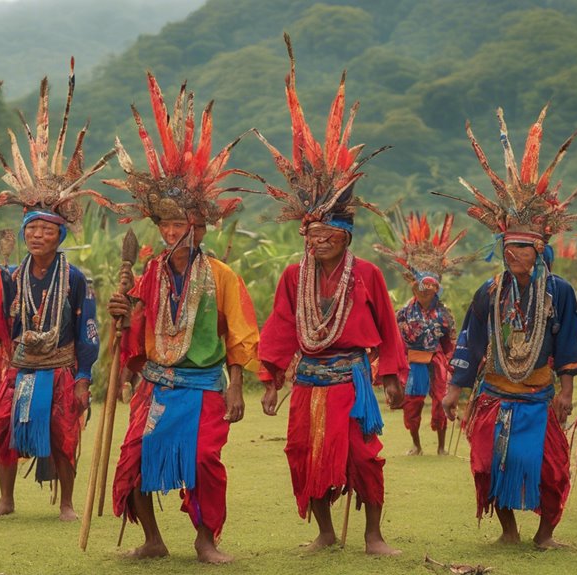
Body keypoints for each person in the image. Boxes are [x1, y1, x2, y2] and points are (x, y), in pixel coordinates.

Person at [254, 35, 407, 556]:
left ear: (345, 235)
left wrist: (392, 377)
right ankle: (323, 531)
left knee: (363, 457)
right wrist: (271, 379)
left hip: (352, 379)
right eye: (310, 234)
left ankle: (373, 533)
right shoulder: (293, 279)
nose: (316, 241)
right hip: (309, 380)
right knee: (304, 452)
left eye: (326, 234)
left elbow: (387, 327)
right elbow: (278, 329)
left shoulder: (366, 273)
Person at [100, 72, 259, 564]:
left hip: (204, 383)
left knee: (205, 461)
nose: (171, 232)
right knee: (133, 460)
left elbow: (240, 332)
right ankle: (151, 539)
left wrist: (235, 384)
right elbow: (135, 328)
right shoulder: (145, 275)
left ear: (198, 228)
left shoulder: (222, 275)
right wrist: (121, 314)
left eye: (180, 224)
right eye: (165, 224)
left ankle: (206, 540)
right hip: (155, 384)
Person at [442, 106, 577, 549]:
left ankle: (544, 535)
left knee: (548, 467)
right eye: (508, 247)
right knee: (489, 463)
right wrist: (455, 388)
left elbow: (567, 343)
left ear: (539, 249)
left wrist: (566, 391)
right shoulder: (490, 292)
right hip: (494, 393)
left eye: (522, 248)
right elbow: (471, 338)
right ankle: (507, 531)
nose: (513, 254)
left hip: (539, 394)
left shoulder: (557, 291)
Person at [0, 64, 108, 521]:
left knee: (64, 430)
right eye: (33, 230)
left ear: (59, 236)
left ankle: (67, 503)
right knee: (3, 429)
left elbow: (88, 332)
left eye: (47, 231)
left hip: (62, 365)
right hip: (18, 365)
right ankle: (6, 500)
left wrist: (84, 378)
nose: (38, 237)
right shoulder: (8, 278)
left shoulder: (76, 278)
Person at [375, 212, 467, 456]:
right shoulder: (403, 312)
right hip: (413, 363)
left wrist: (454, 365)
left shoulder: (444, 313)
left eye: (430, 290)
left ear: (436, 289)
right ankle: (416, 444)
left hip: (436, 362)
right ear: (414, 287)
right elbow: (395, 341)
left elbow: (450, 342)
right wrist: (394, 367)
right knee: (412, 404)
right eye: (421, 289)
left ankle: (441, 446)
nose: (425, 293)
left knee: (440, 402)